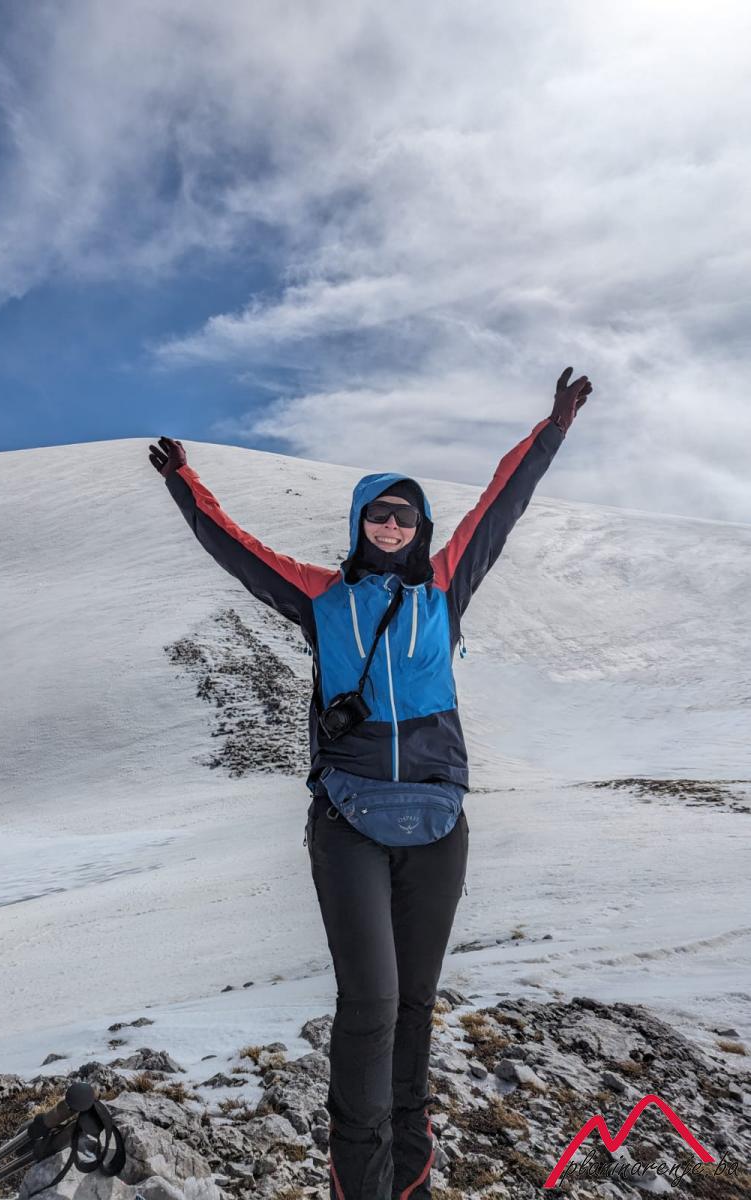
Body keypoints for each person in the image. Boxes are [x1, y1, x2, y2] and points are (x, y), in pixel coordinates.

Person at [149, 366, 593, 1200]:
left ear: (420, 526)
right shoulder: (320, 595)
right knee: (371, 1004)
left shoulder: (445, 587)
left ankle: (408, 1178)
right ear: (358, 522)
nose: (390, 526)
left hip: (437, 817)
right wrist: (186, 486)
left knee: (415, 1005)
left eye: (404, 515)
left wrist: (552, 429)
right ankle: (360, 1183)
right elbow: (234, 550)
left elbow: (501, 504)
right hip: (348, 816)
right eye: (377, 514)